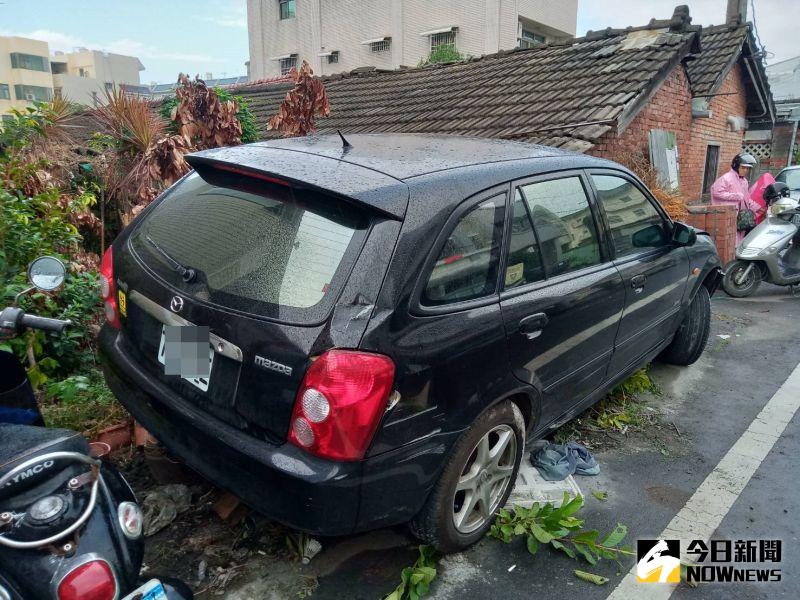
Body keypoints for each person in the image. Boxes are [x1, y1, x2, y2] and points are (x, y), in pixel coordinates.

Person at [710, 153, 765, 244]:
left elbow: (746, 199)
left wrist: (758, 208)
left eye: (747, 168)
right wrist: (735, 196)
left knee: (738, 239)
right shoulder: (726, 178)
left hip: (740, 216)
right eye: (743, 168)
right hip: (728, 214)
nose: (745, 170)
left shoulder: (744, 181)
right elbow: (716, 192)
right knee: (728, 239)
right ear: (736, 166)